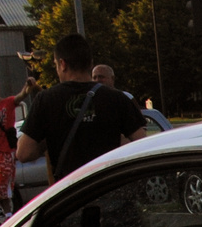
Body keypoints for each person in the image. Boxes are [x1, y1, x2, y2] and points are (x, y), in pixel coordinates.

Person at [16, 34, 146, 181]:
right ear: (90, 64)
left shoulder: (45, 99)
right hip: (109, 187)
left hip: (71, 192)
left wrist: (49, 140)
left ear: (62, 64)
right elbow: (142, 143)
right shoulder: (117, 98)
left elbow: (24, 153)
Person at [0, 74, 38, 226]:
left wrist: (27, 86)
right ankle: (8, 217)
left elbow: (21, 95)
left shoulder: (7, 103)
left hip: (6, 151)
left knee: (0, 184)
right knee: (1, 189)